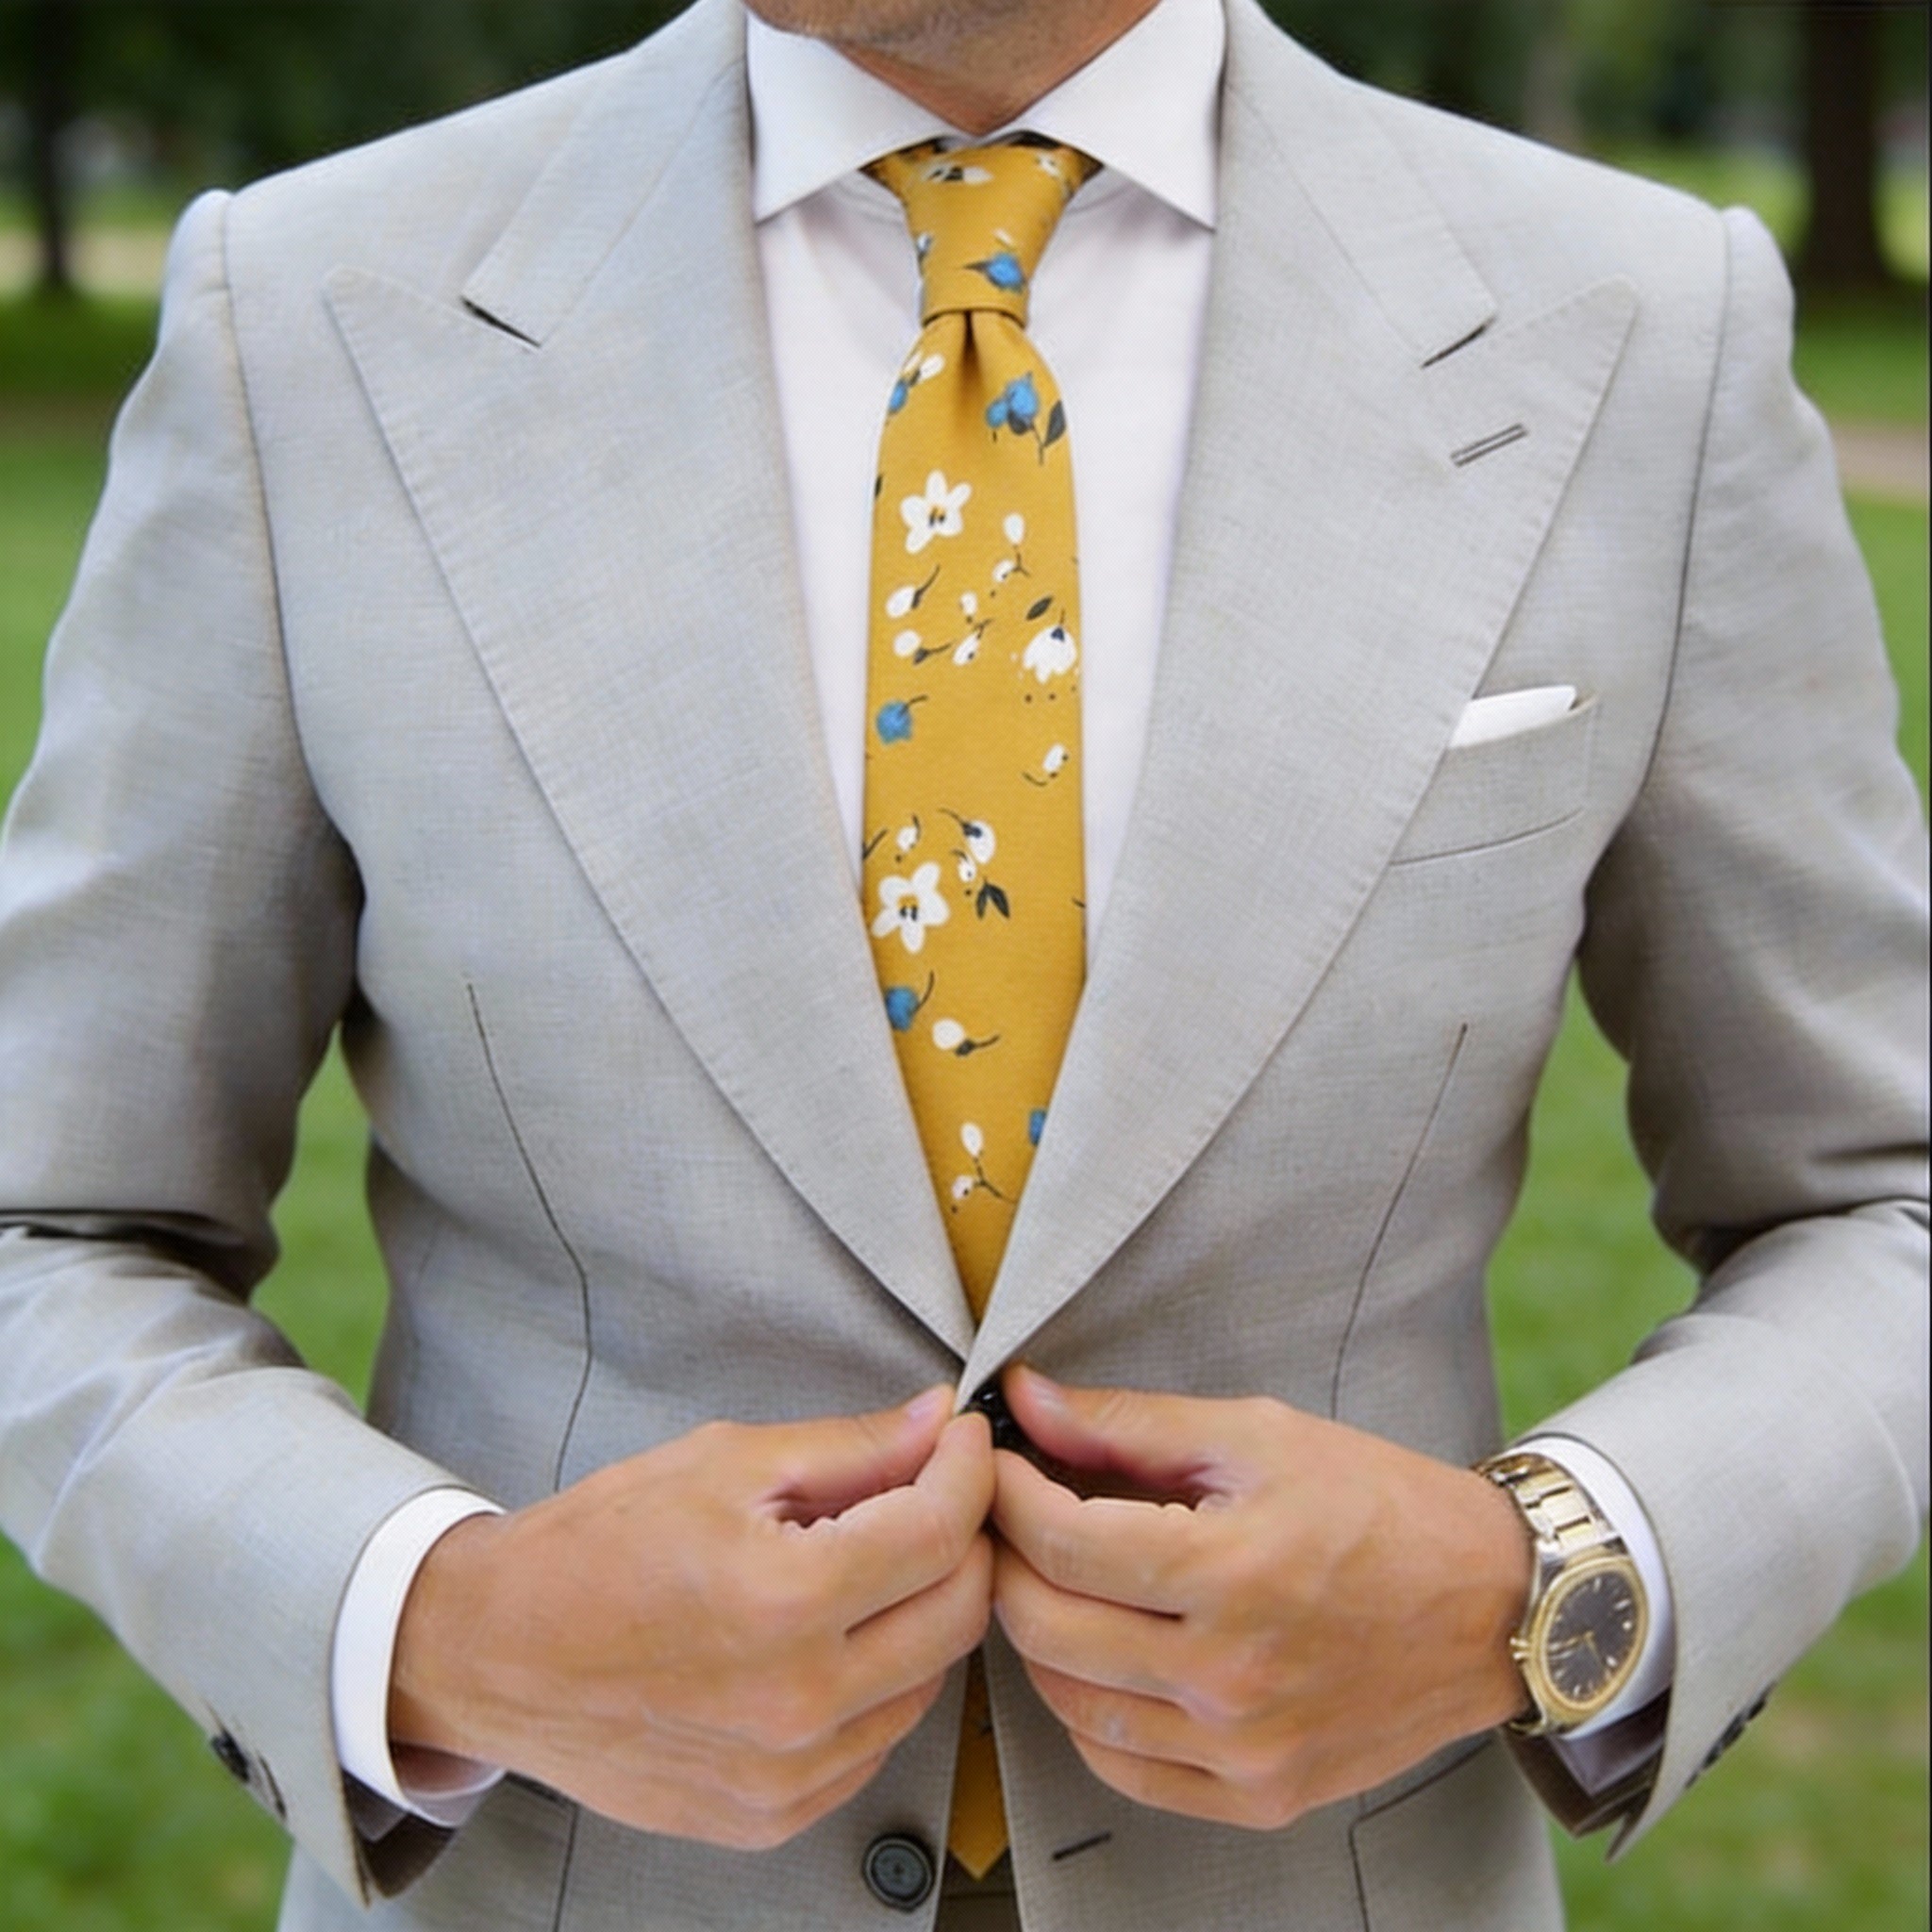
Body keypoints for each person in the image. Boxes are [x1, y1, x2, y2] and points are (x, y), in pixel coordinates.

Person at [0, 0, 1924, 1924]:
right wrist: (445, 1626)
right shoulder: (308, 312)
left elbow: (1877, 1198)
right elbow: (51, 1224)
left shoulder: (1640, 328)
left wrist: (1546, 1580)